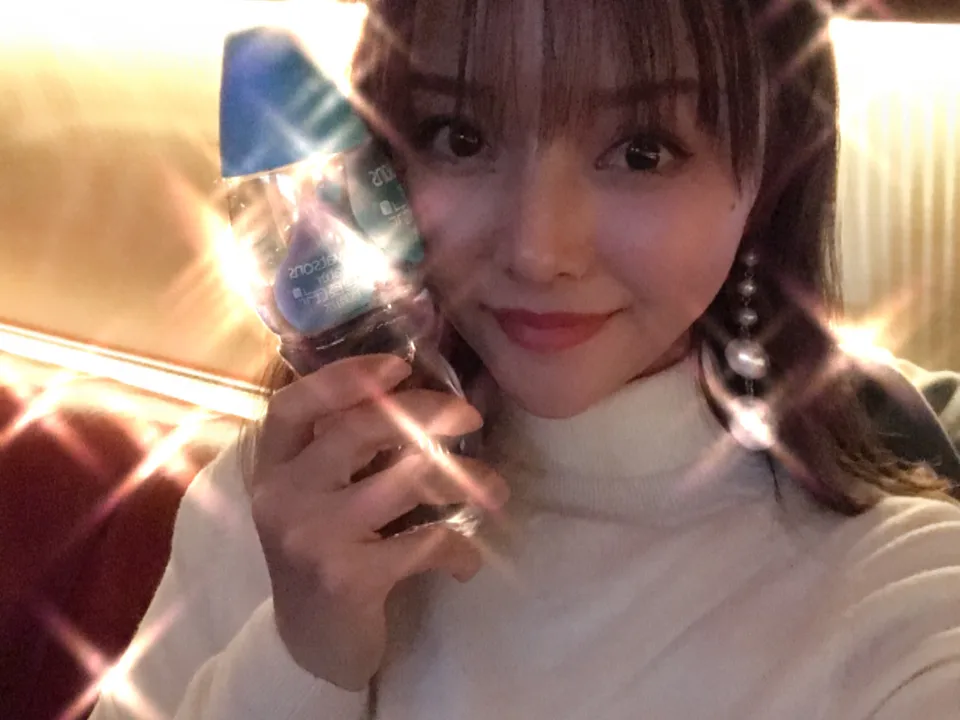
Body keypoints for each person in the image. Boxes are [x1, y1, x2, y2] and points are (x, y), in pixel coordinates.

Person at [91, 1, 960, 718]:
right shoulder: (287, 501)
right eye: (460, 136)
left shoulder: (903, 598)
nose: (540, 251)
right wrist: (298, 662)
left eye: (643, 151)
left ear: (771, 174)